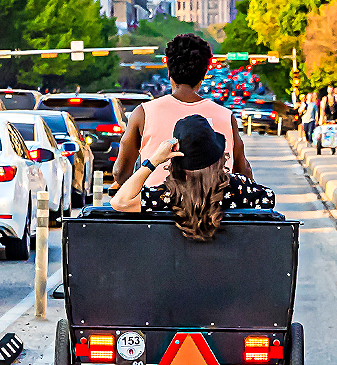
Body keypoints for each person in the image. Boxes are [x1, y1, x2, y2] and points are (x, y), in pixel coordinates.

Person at [114, 33, 252, 187]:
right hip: (215, 207)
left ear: (169, 72)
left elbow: (121, 173)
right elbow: (242, 171)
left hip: (157, 209)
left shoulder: (143, 113)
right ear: (204, 75)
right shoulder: (226, 116)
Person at [110, 115, 275, 238]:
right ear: (218, 156)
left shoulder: (167, 196)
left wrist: (154, 160)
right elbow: (268, 199)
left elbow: (120, 201)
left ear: (175, 156)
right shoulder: (241, 189)